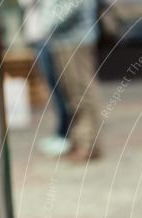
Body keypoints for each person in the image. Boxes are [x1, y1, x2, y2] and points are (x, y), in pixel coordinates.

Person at [38, 0, 101, 162]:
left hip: (75, 40)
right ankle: (78, 141)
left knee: (82, 93)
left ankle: (87, 145)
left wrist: (48, 23)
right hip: (64, 40)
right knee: (72, 96)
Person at [19, 0, 73, 156]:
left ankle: (65, 134)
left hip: (49, 39)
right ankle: (61, 133)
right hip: (40, 39)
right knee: (53, 88)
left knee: (59, 88)